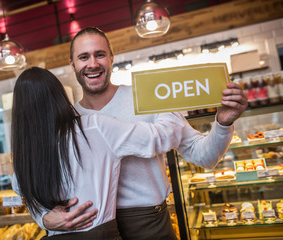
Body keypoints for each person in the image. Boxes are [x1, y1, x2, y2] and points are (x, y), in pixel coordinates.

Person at [37, 27, 248, 239]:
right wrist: (44, 217)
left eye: (99, 54)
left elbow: (205, 156)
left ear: (111, 58)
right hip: (94, 229)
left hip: (150, 226)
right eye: (84, 57)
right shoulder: (66, 120)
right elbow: (38, 181)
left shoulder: (149, 100)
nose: (93, 63)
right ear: (72, 64)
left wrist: (222, 124)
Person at [11, 67, 200, 239]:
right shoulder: (93, 126)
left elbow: (22, 192)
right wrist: (166, 102)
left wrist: (43, 218)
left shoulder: (25, 152)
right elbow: (161, 138)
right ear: (59, 95)